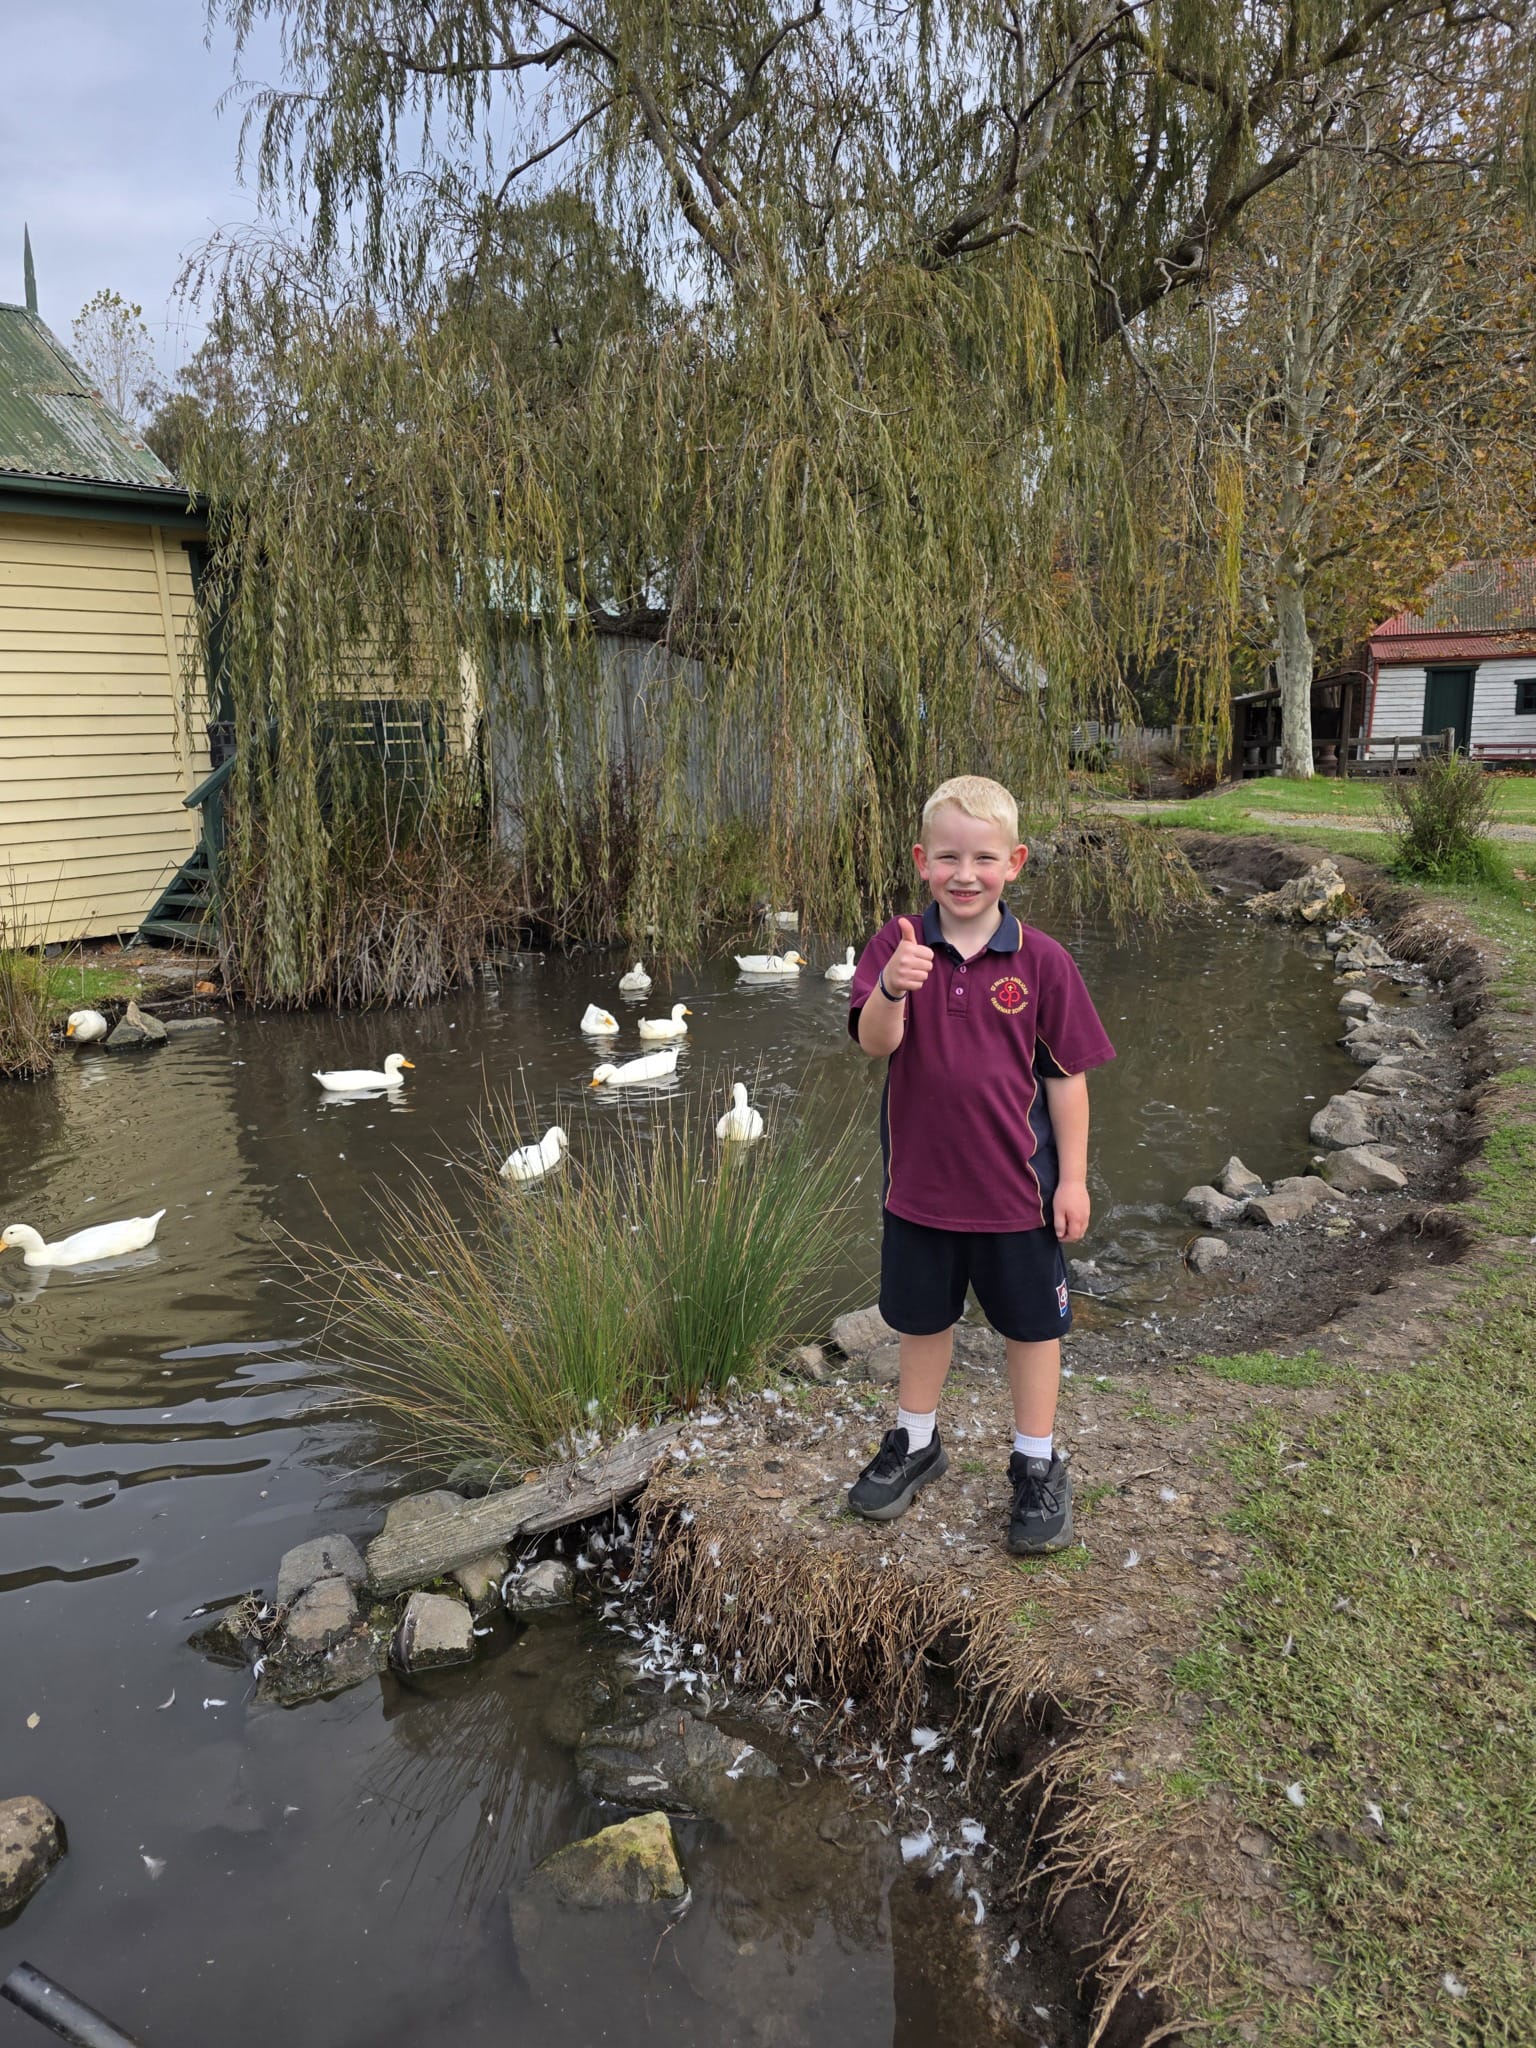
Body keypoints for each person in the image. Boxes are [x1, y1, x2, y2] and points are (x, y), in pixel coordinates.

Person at [844, 775, 1115, 1554]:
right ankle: (916, 1440)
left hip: (1018, 1199)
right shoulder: (898, 946)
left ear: (1015, 862)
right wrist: (892, 990)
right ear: (924, 861)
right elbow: (874, 1045)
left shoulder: (1043, 962)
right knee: (922, 1322)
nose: (967, 874)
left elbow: (1067, 1080)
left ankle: (1035, 1462)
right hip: (919, 1193)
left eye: (985, 858)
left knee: (1033, 1329)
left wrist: (1071, 1179)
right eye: (950, 858)